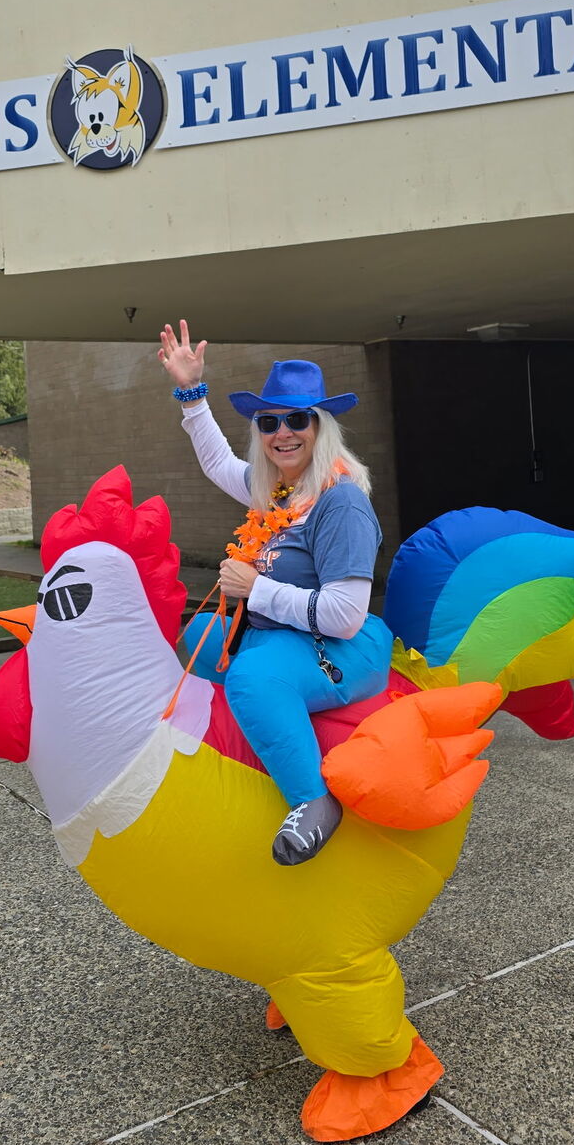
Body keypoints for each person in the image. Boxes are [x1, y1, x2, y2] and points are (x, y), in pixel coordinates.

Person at [158, 320, 393, 865]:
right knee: (200, 635)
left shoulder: (340, 504)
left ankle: (312, 801)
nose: (282, 432)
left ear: (321, 426)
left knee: (250, 676)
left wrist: (256, 589)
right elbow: (218, 462)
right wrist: (192, 393)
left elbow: (345, 615)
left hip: (337, 646)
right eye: (269, 422)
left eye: (296, 419)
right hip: (278, 633)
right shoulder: (280, 491)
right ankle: (237, 755)